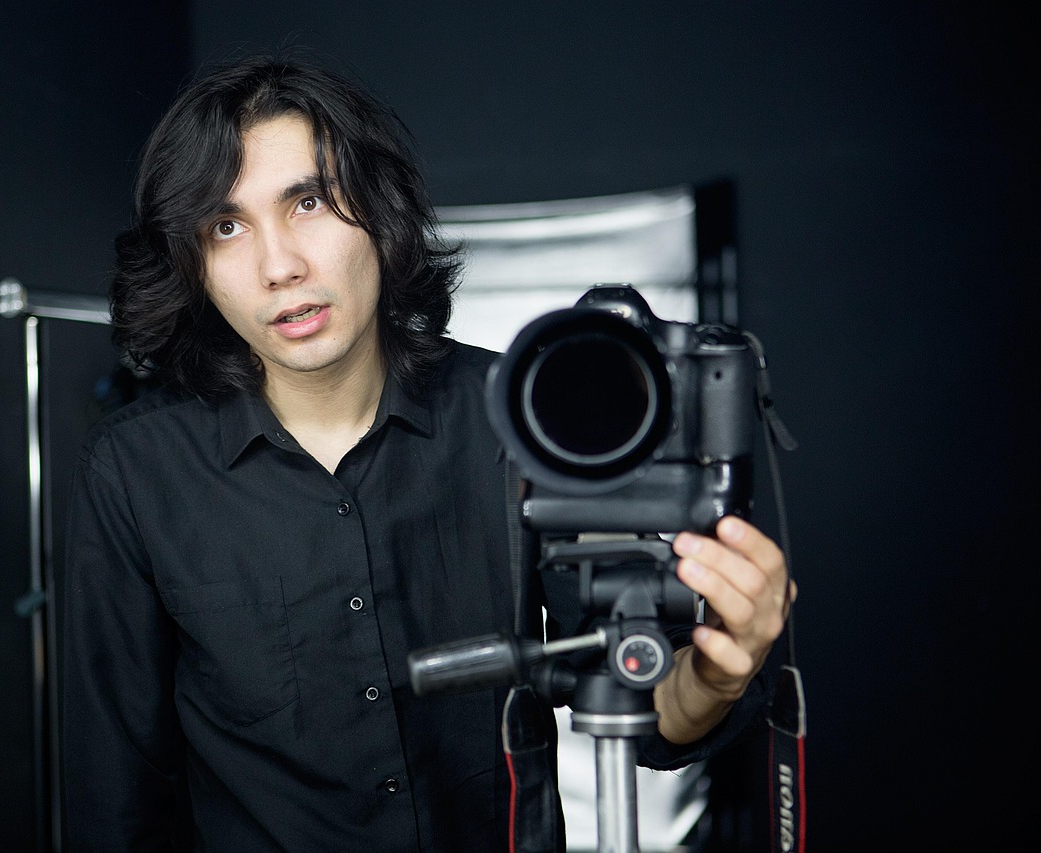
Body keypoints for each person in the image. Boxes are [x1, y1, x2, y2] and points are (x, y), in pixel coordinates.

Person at [61, 51, 795, 852]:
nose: (280, 266)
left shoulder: (519, 418)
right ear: (194, 263)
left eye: (308, 201)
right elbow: (115, 801)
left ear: (379, 209)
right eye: (226, 226)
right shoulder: (134, 472)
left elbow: (649, 709)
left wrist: (719, 669)